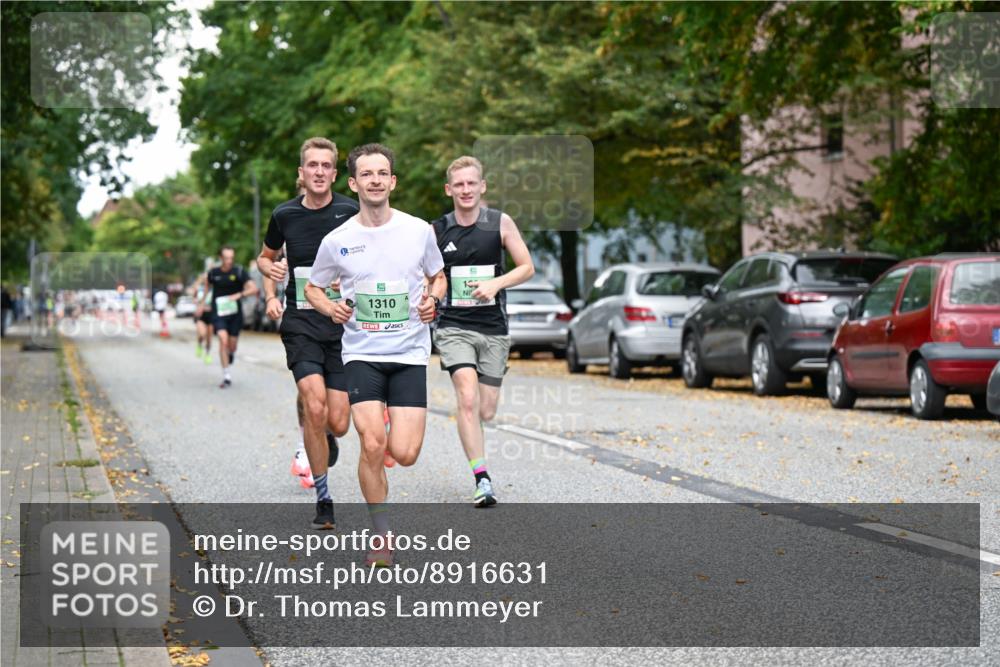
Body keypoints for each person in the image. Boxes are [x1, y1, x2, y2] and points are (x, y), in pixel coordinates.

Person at [306, 143, 446, 566]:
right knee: (370, 441)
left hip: (408, 353)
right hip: (361, 353)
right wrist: (329, 307)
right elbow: (313, 287)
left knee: (404, 453)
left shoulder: (419, 230)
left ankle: (387, 440)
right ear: (353, 183)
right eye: (366, 174)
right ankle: (381, 535)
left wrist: (432, 302)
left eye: (382, 173)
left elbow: (438, 277)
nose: (375, 180)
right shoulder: (338, 240)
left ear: (393, 181)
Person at [257, 138, 358, 528]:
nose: (318, 172)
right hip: (301, 322)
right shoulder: (284, 215)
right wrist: (271, 271)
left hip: (341, 324)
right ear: (301, 173)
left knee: (339, 422)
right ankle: (324, 498)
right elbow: (265, 256)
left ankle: (326, 437)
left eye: (326, 166)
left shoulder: (351, 212)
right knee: (313, 406)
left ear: (335, 173)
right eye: (311, 165)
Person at [432, 156, 534, 507]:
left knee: (486, 410)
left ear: (482, 186)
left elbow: (527, 267)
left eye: (470, 183)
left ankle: (477, 450)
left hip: (493, 327)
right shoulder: (438, 230)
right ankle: (482, 478)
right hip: (454, 327)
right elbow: (431, 276)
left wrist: (495, 284)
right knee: (468, 397)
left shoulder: (500, 223)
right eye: (458, 184)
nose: (465, 190)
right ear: (449, 189)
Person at [207, 246, 258, 388]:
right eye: (226, 258)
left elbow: (254, 289)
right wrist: (201, 304)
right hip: (219, 313)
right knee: (223, 340)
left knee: (232, 345)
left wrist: (239, 295)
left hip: (235, 315)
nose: (229, 261)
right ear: (220, 258)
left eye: (231, 258)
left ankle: (231, 353)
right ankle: (226, 375)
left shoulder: (239, 272)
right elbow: (206, 288)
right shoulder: (213, 273)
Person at [194, 275, 213, 363]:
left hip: (212, 315)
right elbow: (195, 300)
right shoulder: (199, 290)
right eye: (205, 279)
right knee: (202, 334)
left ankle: (208, 354)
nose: (207, 281)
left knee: (209, 339)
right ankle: (199, 344)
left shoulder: (215, 289)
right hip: (201, 315)